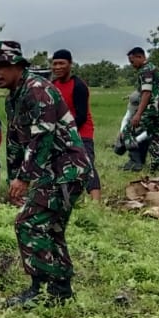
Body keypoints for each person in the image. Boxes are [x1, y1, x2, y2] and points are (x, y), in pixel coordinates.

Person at [0, 43, 93, 305]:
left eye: (2, 66)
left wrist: (25, 178)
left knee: (29, 224)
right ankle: (60, 289)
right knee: (51, 228)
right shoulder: (14, 97)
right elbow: (14, 140)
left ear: (19, 67)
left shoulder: (38, 90)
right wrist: (14, 178)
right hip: (52, 171)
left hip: (65, 169)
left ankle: (40, 289)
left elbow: (42, 137)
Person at [49, 49, 101, 203]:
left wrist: (66, 131)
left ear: (70, 64)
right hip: (61, 132)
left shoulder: (78, 85)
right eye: (55, 64)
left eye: (62, 63)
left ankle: (96, 201)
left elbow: (82, 116)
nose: (58, 67)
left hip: (82, 132)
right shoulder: (53, 85)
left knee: (86, 164)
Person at [119, 46, 159, 172]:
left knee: (127, 131)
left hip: (152, 110)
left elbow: (146, 93)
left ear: (140, 57)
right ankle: (155, 169)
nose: (132, 65)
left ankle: (135, 161)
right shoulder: (152, 67)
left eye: (132, 61)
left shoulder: (145, 71)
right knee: (156, 139)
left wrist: (138, 114)